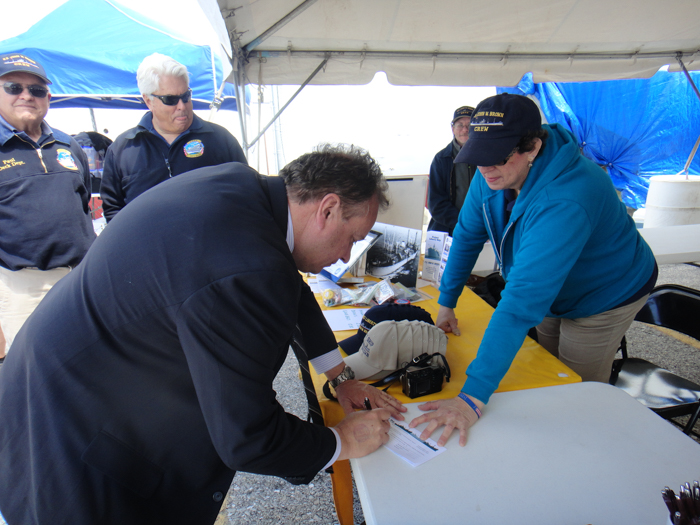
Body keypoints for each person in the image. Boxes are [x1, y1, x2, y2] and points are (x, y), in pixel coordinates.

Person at [0, 144, 406, 525]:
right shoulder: (248, 269)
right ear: (328, 209)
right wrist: (340, 441)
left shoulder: (244, 189)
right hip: (78, 432)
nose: (343, 256)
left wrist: (339, 375)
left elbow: (291, 282)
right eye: (352, 239)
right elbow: (248, 437)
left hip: (62, 365)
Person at [409, 94, 657, 447]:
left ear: (533, 148)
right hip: (552, 287)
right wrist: (446, 302)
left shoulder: (569, 195)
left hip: (605, 292)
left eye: (496, 157)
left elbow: (519, 305)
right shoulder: (493, 167)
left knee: (575, 386)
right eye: (478, 158)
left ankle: (585, 451)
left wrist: (470, 399)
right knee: (546, 364)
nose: (485, 170)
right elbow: (467, 234)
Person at [0, 52, 95, 363]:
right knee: (33, 373)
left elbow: (84, 206)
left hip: (80, 280)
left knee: (90, 362)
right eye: (14, 87)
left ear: (48, 97)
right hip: (23, 288)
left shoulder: (69, 146)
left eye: (37, 90)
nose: (27, 95)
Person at [100, 53, 247, 222]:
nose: (182, 106)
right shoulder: (122, 149)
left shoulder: (221, 140)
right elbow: (113, 210)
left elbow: (246, 195)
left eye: (185, 96)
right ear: (148, 101)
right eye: (170, 99)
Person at [427, 105, 478, 235]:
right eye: (460, 125)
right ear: (453, 129)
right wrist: (463, 224)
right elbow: (436, 204)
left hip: (481, 230)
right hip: (447, 229)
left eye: (470, 124)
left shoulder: (489, 157)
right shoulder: (441, 159)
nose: (465, 129)